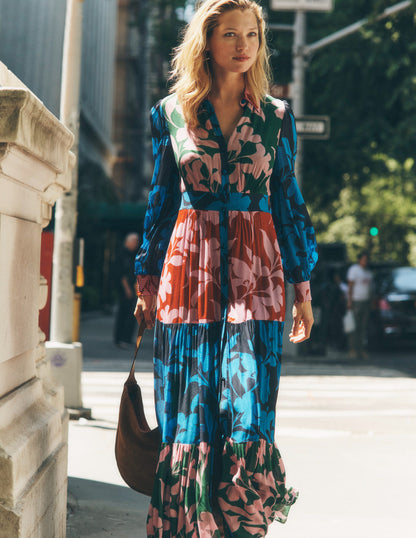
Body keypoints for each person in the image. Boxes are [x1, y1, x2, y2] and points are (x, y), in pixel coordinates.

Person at [134, 1, 318, 535]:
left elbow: (288, 203)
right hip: (187, 273)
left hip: (256, 278)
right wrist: (146, 282)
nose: (243, 45)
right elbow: (161, 202)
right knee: (189, 404)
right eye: (230, 34)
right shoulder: (171, 113)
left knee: (247, 403)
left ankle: (241, 524)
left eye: (253, 35)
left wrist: (302, 287)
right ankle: (189, 525)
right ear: (206, 42)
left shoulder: (277, 117)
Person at [113, 232, 140, 348]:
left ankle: (127, 338)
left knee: (132, 314)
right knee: (124, 314)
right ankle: (121, 338)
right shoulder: (121, 254)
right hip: (125, 288)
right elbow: (121, 274)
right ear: (127, 242)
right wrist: (127, 289)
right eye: (134, 242)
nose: (136, 244)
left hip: (132, 287)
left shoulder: (134, 254)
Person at [347, 252, 372, 359]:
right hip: (356, 301)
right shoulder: (354, 270)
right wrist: (350, 301)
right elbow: (350, 286)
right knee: (354, 326)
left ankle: (361, 350)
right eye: (364, 259)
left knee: (363, 327)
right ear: (359, 260)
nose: (365, 262)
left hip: (365, 301)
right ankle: (353, 349)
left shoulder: (368, 272)